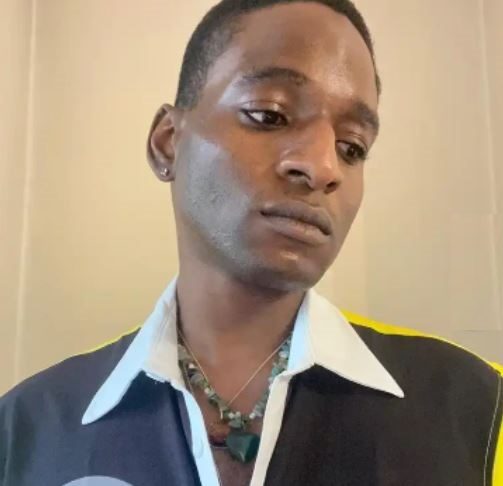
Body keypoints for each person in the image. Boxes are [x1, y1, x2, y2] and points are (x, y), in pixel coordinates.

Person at [1, 0, 502, 485]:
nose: (323, 167)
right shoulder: (25, 428)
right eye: (269, 115)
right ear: (167, 143)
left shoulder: (479, 410)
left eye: (352, 147)